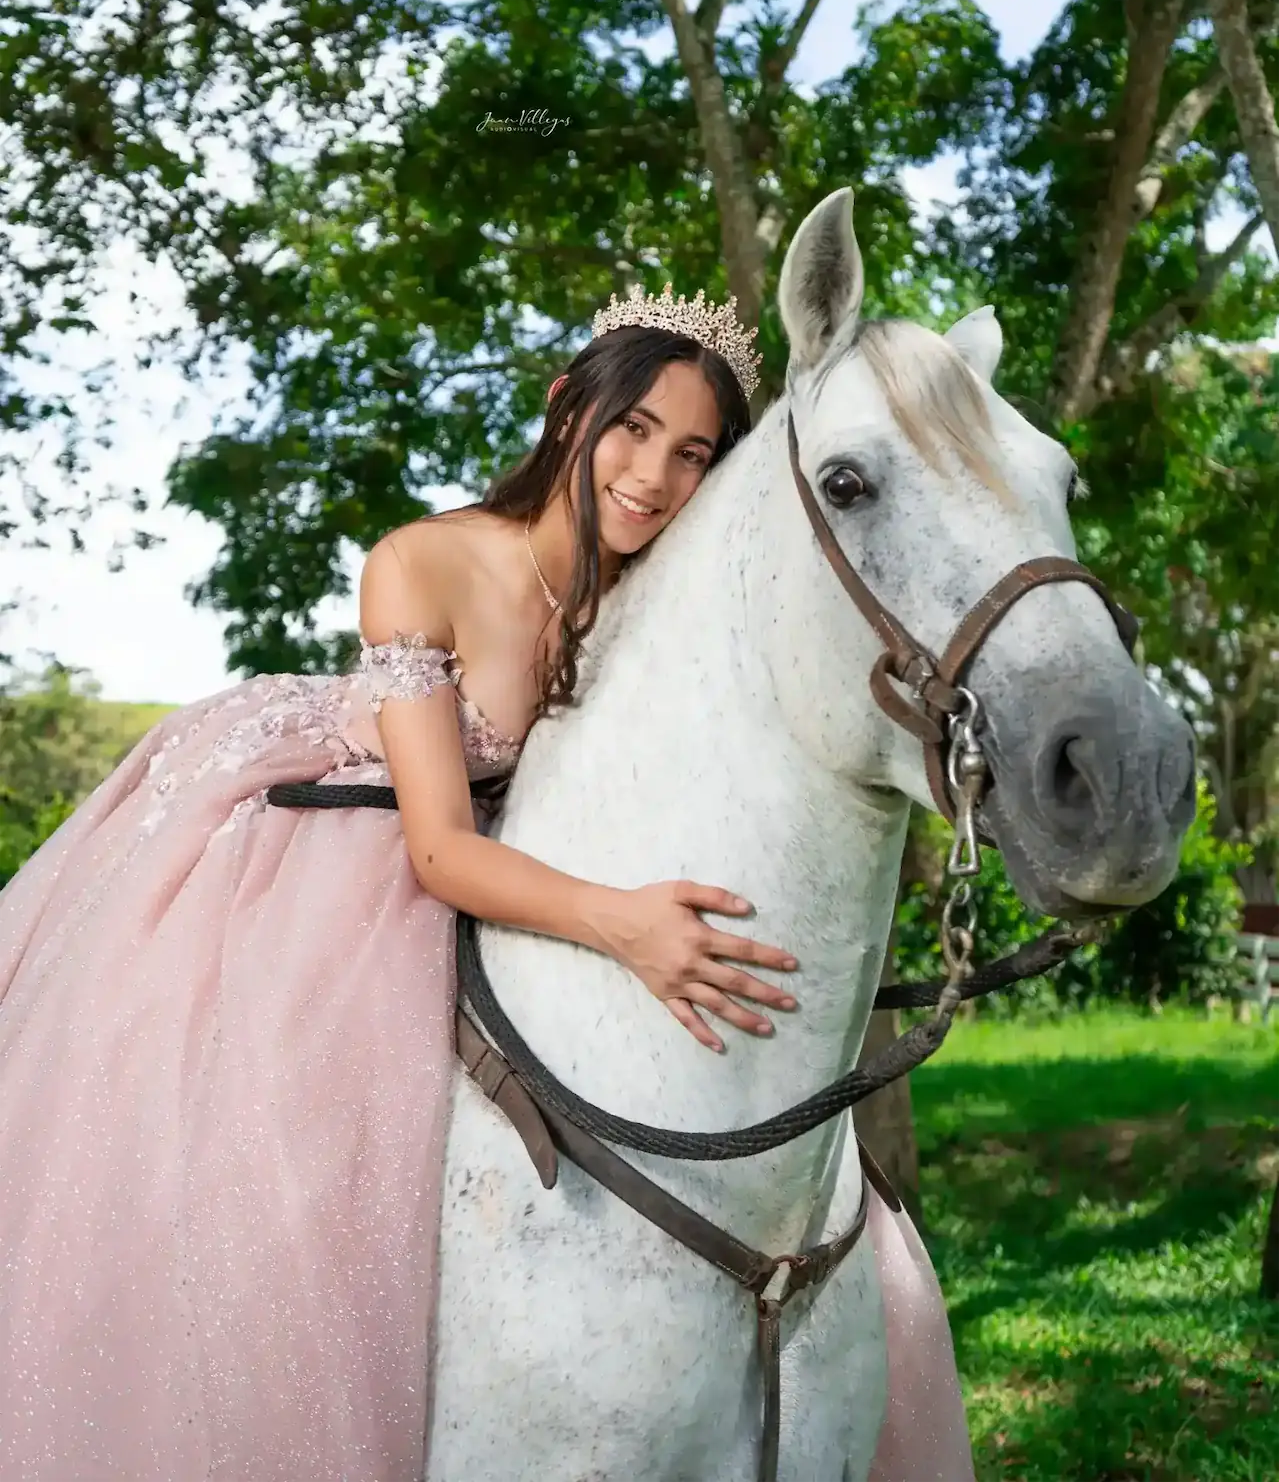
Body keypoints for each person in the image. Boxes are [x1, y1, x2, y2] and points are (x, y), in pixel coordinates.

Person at [0, 283, 972, 1480]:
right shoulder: (427, 563)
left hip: (537, 844)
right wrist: (624, 924)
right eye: (632, 429)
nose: (652, 477)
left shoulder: (656, 591)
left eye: (691, 454)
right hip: (370, 848)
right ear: (570, 409)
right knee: (299, 1156)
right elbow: (438, 852)